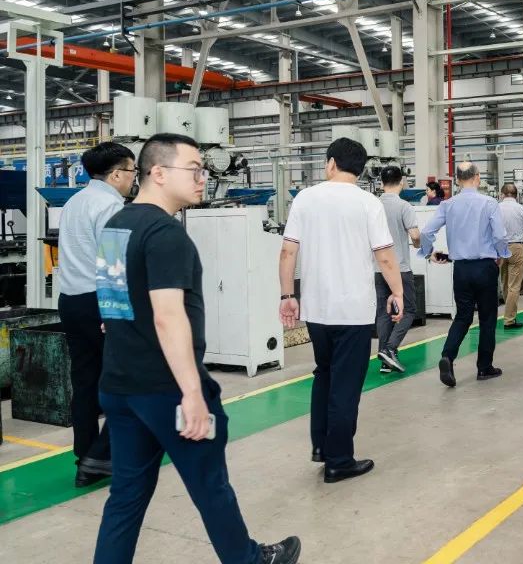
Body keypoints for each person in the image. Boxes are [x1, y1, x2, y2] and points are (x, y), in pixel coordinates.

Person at [93, 133, 299, 564]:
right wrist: (191, 392)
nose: (203, 178)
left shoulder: (116, 225)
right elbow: (168, 316)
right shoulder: (166, 233)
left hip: (120, 384)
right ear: (158, 173)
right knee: (210, 485)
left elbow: (111, 307)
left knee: (126, 496)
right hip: (165, 388)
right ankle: (249, 560)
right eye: (193, 169)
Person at [278, 138, 404, 484]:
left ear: (331, 163)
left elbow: (288, 252)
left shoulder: (305, 198)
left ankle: (321, 446)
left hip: (316, 309)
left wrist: (287, 295)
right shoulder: (368, 203)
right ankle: (339, 460)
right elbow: (384, 256)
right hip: (353, 311)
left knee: (324, 374)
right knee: (345, 385)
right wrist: (397, 292)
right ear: (360, 169)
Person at [57, 141, 136, 488]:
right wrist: (115, 309)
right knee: (127, 379)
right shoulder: (110, 205)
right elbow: (114, 263)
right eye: (132, 171)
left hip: (71, 301)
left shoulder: (74, 202)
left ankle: (85, 455)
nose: (133, 178)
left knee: (85, 381)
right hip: (101, 301)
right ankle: (103, 456)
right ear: (116, 174)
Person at [420, 162, 510, 388]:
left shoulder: (447, 205)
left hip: (460, 269)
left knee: (463, 316)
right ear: (477, 177)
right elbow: (500, 235)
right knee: (487, 318)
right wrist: (502, 254)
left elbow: (427, 231)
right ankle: (484, 367)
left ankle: (447, 356)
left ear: (458, 180)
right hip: (485, 267)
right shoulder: (489, 203)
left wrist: (428, 252)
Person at [375, 165, 420, 374]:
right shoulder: (404, 206)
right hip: (400, 268)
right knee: (409, 310)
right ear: (401, 181)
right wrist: (418, 244)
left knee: (384, 313)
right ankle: (390, 348)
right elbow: (415, 235)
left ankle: (385, 360)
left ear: (381, 182)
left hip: (378, 269)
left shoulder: (373, 206)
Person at [498, 183, 523, 330]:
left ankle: (509, 315)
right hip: (517, 247)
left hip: (499, 248)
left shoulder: (496, 208)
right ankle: (509, 319)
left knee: (505, 283)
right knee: (514, 286)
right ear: (516, 195)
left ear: (502, 194)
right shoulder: (521, 209)